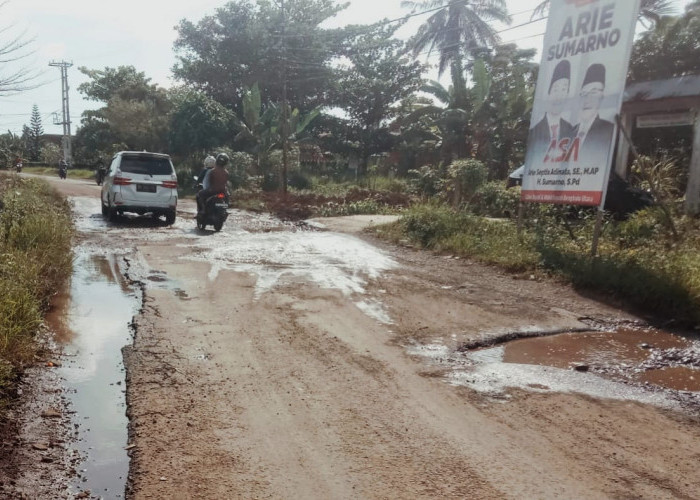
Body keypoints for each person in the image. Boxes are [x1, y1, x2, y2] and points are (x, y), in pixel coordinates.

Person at [526, 59, 576, 165]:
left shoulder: (571, 130)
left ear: (567, 95)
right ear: (548, 94)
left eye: (564, 90)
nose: (559, 96)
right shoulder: (536, 131)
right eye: (555, 89)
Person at [572, 63, 615, 169]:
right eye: (584, 94)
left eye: (594, 93)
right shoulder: (569, 132)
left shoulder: (609, 130)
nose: (587, 100)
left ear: (602, 96)